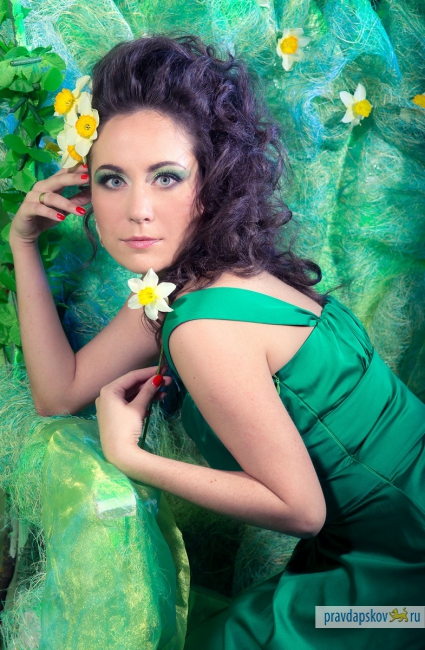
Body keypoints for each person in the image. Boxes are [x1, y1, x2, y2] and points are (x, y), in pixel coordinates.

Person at [9, 35, 425, 649]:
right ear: (85, 188)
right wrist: (22, 243)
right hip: (382, 545)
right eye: (113, 179)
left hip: (403, 587)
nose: (138, 209)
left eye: (166, 177)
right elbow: (60, 392)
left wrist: (132, 458)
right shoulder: (193, 279)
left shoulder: (205, 327)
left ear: (212, 180)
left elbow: (300, 510)